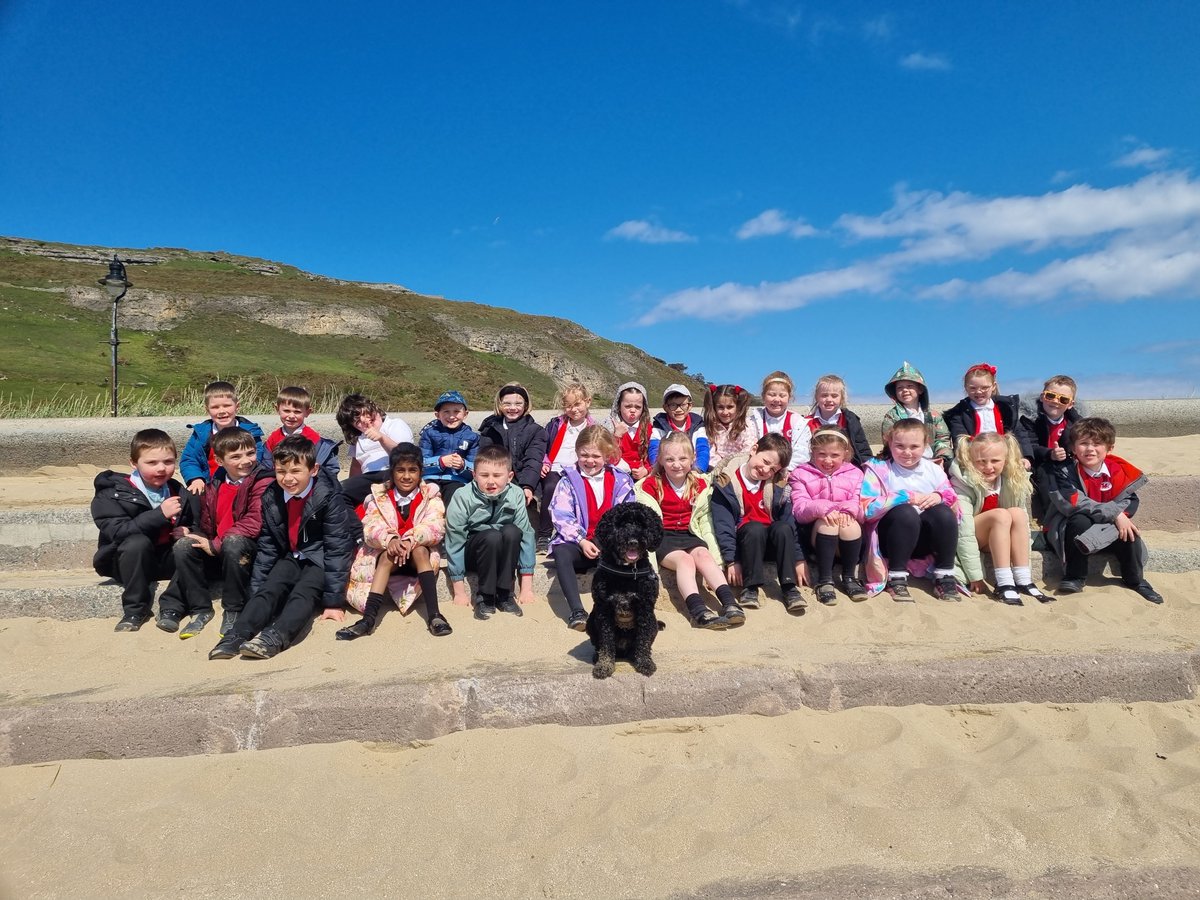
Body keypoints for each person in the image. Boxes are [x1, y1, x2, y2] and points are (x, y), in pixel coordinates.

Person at [208, 436, 359, 660]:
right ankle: (237, 634)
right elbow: (268, 544)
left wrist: (333, 602)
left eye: (296, 471)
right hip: (292, 554)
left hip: (321, 557)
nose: (288, 478)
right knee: (270, 588)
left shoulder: (329, 498)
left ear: (314, 469)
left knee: (303, 593)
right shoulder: (272, 495)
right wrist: (256, 590)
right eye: (281, 471)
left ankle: (275, 636)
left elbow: (338, 549)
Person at [1042, 417, 1163, 604]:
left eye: (1097, 444)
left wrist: (1119, 517)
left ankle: (1136, 580)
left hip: (1108, 527)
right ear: (1073, 449)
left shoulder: (1119, 471)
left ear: (1109, 448)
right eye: (1083, 443)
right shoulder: (1063, 471)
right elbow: (1073, 502)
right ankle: (1075, 576)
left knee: (1128, 530)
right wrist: (1115, 514)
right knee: (1081, 520)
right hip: (1071, 526)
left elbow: (1130, 501)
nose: (1090, 449)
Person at [91, 429, 199, 632]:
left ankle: (172, 607)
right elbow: (117, 532)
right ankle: (135, 610)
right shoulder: (111, 493)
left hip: (163, 558)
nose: (161, 469)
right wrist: (160, 514)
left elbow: (197, 524)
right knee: (136, 542)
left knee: (188, 546)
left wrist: (186, 530)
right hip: (125, 561)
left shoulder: (177, 489)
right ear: (134, 463)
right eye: (152, 463)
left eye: (168, 462)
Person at [170, 427, 273, 639]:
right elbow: (208, 522)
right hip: (219, 546)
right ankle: (200, 609)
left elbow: (254, 522)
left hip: (249, 549)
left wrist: (215, 544)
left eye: (250, 453)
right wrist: (195, 533)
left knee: (234, 542)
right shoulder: (215, 483)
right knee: (183, 546)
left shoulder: (263, 481)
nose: (246, 460)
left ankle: (233, 609)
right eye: (236, 456)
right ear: (219, 460)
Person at [338, 443, 450, 639]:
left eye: (412, 470)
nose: (406, 476)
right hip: (389, 556)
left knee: (421, 551)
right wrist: (389, 539)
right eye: (400, 470)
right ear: (392, 472)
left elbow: (435, 526)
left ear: (421, 472)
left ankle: (434, 615)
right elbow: (371, 526)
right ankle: (368, 619)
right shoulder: (377, 497)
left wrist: (410, 540)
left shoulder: (431, 496)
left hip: (416, 558)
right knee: (386, 558)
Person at [637, 432, 738, 629]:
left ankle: (729, 603)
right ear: (660, 460)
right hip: (663, 537)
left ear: (692, 459)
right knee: (685, 560)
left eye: (683, 458)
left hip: (690, 534)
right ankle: (698, 610)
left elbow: (706, 523)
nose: (677, 464)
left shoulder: (699, 484)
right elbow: (647, 526)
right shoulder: (649, 486)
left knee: (703, 555)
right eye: (670, 459)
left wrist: (719, 560)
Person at [861, 419, 962, 601]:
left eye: (914, 446)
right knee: (905, 512)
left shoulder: (933, 469)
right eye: (899, 446)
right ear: (889, 443)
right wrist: (905, 496)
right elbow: (867, 508)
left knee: (943, 512)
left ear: (925, 445)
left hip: (924, 541)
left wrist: (939, 496)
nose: (907, 453)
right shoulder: (879, 468)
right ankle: (896, 577)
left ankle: (944, 575)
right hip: (891, 539)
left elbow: (952, 497)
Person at [548, 426, 637, 631]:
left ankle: (622, 609)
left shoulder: (621, 480)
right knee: (561, 552)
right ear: (577, 453)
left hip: (609, 544)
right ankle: (577, 611)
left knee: (628, 554)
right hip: (578, 543)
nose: (589, 461)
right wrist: (581, 539)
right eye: (584, 455)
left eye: (596, 456)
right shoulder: (567, 481)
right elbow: (561, 515)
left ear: (607, 456)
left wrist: (608, 541)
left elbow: (626, 515)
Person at [710, 433, 806, 615]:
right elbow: (723, 525)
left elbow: (789, 521)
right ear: (754, 450)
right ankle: (750, 587)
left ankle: (789, 586)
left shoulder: (778, 485)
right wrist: (731, 560)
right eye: (765, 461)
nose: (765, 470)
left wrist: (799, 558)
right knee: (754, 528)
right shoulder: (726, 482)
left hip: (770, 542)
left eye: (772, 469)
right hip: (745, 542)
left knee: (783, 528)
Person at [950, 432, 1047, 605]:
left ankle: (1023, 578)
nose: (988, 467)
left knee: (1017, 512)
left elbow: (1021, 526)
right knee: (1000, 514)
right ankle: (1003, 581)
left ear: (1006, 459)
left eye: (995, 461)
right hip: (974, 535)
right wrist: (975, 576)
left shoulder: (1011, 480)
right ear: (971, 460)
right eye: (981, 461)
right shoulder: (962, 482)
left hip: (999, 537)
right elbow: (963, 531)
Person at [446, 444, 537, 620]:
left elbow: (526, 534)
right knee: (492, 536)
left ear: (509, 477)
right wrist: (459, 590)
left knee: (512, 531)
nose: (490, 481)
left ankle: (505, 594)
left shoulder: (516, 494)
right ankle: (485, 597)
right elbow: (455, 539)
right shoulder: (462, 496)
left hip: (503, 552)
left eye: (497, 475)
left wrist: (526, 587)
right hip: (474, 550)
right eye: (484, 475)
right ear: (474, 475)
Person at [789, 427, 867, 604]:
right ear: (812, 451)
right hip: (818, 537)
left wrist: (850, 509)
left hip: (848, 539)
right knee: (828, 522)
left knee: (850, 523)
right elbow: (799, 510)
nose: (828, 460)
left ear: (845, 454)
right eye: (821, 454)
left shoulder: (855, 474)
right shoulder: (801, 474)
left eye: (834, 455)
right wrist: (822, 508)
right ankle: (825, 580)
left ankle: (849, 577)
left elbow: (862, 506)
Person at [538, 382, 597, 551]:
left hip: (581, 468)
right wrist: (544, 462)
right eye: (569, 406)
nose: (574, 410)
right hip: (556, 467)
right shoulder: (555, 424)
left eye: (577, 404)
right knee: (550, 488)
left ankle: (580, 532)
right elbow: (542, 444)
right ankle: (544, 534)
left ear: (588, 402)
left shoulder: (593, 428)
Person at [179, 380, 265, 494]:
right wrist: (196, 478)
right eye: (215, 407)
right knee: (191, 498)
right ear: (207, 409)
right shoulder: (202, 433)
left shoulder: (251, 432)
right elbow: (189, 459)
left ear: (237, 406)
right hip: (209, 485)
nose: (222, 411)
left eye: (227, 405)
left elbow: (257, 458)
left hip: (243, 483)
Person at [944, 363, 1034, 468]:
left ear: (993, 386)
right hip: (975, 462)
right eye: (973, 388)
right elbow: (960, 440)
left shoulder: (1007, 409)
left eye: (984, 387)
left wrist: (1026, 456)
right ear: (966, 387)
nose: (978, 391)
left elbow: (1020, 434)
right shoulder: (959, 413)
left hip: (1006, 461)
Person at [478, 383, 547, 518]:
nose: (513, 408)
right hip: (496, 479)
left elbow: (533, 460)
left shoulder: (536, 431)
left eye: (518, 403)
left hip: (523, 479)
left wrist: (528, 486)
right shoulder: (490, 428)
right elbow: (484, 458)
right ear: (500, 404)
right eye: (507, 403)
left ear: (526, 405)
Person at [335, 393, 414, 510]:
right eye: (357, 421)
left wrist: (382, 438)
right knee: (338, 492)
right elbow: (356, 467)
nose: (364, 420)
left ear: (375, 408)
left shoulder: (394, 425)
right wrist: (350, 484)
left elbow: (406, 457)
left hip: (392, 472)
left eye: (366, 414)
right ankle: (354, 526)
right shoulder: (358, 438)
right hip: (368, 478)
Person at [1020, 375, 1081, 519]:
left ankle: (1077, 513)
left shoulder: (1076, 423)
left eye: (1063, 399)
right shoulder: (1029, 419)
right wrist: (1049, 454)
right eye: (1051, 396)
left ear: (1070, 404)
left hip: (1067, 462)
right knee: (1048, 477)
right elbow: (1029, 445)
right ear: (1042, 397)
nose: (1055, 401)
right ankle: (1051, 518)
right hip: (1040, 463)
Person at [880, 361, 952, 470]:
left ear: (920, 389)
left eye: (909, 386)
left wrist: (941, 458)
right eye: (900, 388)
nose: (905, 390)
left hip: (933, 462)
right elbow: (888, 441)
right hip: (904, 461)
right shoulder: (891, 416)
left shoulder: (933, 416)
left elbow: (943, 438)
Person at [264, 385, 340, 482]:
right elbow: (266, 465)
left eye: (297, 412)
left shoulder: (314, 439)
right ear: (277, 409)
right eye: (286, 411)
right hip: (280, 483)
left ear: (307, 412)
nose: (291, 416)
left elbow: (329, 470)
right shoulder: (273, 438)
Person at [419, 390, 480, 505]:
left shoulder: (472, 437)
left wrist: (463, 465)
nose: (452, 416)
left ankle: (452, 522)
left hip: (456, 480)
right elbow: (419, 463)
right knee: (427, 495)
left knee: (456, 497)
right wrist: (440, 462)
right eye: (446, 411)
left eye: (456, 411)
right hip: (430, 478)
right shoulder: (428, 433)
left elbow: (476, 468)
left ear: (465, 414)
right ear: (437, 415)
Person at [804, 374, 873, 466]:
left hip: (845, 469)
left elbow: (862, 448)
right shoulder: (806, 422)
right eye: (824, 395)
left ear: (842, 398)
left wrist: (868, 469)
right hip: (815, 469)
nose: (829, 399)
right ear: (816, 397)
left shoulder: (850, 420)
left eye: (834, 396)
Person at [746, 371, 808, 471]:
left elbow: (802, 453)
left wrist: (782, 470)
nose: (776, 399)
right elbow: (748, 448)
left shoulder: (798, 423)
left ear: (789, 398)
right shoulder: (752, 421)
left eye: (782, 395)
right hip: (759, 470)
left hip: (787, 473)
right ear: (763, 396)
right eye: (772, 394)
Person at [649, 384, 710, 472]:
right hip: (668, 471)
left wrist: (698, 470)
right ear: (665, 408)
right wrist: (660, 470)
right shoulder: (659, 425)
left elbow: (702, 449)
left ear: (690, 406)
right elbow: (654, 450)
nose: (678, 409)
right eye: (673, 405)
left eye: (683, 404)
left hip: (692, 470)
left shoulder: (698, 425)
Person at [604, 381, 652, 479]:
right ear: (618, 406)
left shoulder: (649, 428)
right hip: (616, 477)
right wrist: (617, 436)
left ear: (644, 408)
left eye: (638, 407)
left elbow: (655, 456)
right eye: (628, 406)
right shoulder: (609, 427)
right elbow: (607, 458)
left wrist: (646, 470)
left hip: (643, 477)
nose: (633, 410)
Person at [703, 383, 754, 471]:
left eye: (730, 407)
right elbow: (710, 451)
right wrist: (720, 467)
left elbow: (748, 451)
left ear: (738, 407)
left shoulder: (746, 426)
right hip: (715, 469)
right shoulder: (711, 426)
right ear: (714, 407)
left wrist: (731, 467)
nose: (725, 412)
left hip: (739, 469)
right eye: (720, 407)